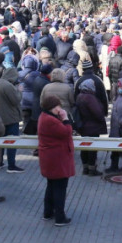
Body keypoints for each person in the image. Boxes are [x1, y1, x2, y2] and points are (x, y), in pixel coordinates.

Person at [37, 95, 75, 226]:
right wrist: (65, 118)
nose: (60, 109)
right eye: (59, 106)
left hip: (50, 158)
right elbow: (66, 132)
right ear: (53, 107)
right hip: (58, 159)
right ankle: (60, 217)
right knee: (60, 188)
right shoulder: (51, 121)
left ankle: (48, 213)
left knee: (51, 186)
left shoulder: (44, 116)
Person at [0, 66, 24, 173]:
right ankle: (11, 165)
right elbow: (15, 100)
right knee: (12, 142)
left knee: (1, 141)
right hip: (11, 118)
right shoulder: (8, 86)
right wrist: (19, 91)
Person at [75, 79, 107, 176]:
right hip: (92, 127)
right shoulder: (90, 97)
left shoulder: (80, 96)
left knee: (84, 147)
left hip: (83, 126)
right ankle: (92, 169)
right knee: (92, 148)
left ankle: (85, 168)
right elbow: (97, 113)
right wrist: (102, 117)